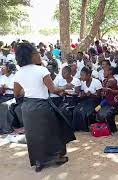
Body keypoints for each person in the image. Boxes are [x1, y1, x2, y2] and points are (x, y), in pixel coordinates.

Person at [13, 43, 75, 172]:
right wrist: (64, 88)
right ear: (31, 56)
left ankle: (39, 162)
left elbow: (17, 93)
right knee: (56, 129)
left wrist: (29, 90)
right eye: (36, 53)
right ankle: (57, 157)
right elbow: (53, 89)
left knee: (33, 135)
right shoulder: (41, 70)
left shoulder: (19, 73)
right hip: (42, 106)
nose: (39, 55)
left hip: (27, 107)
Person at [72, 66, 102, 131]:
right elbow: (82, 92)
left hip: (95, 101)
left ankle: (84, 128)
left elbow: (99, 96)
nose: (81, 77)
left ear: (88, 75)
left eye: (82, 75)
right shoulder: (83, 83)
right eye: (80, 75)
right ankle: (77, 127)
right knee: (76, 110)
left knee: (84, 112)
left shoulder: (96, 82)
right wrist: (82, 94)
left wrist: (91, 94)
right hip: (86, 100)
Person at [0, 63, 16, 134]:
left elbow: (18, 90)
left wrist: (8, 87)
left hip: (13, 96)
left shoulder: (15, 77)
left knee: (4, 105)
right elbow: (2, 91)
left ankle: (6, 128)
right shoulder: (2, 77)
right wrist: (2, 89)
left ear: (9, 69)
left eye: (4, 67)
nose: (2, 68)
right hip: (4, 95)